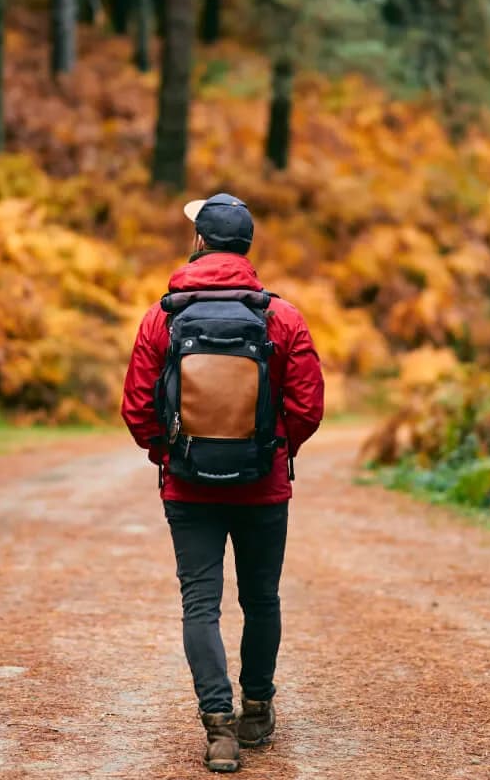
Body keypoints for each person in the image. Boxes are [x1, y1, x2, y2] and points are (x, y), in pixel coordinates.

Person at [121, 192, 325, 774]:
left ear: (202, 243)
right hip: (263, 487)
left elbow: (137, 409)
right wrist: (274, 449)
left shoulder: (162, 316)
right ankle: (258, 709)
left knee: (200, 604)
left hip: (188, 489)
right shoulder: (281, 317)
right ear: (247, 247)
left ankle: (219, 729)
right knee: (261, 598)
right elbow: (307, 406)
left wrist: (170, 453)